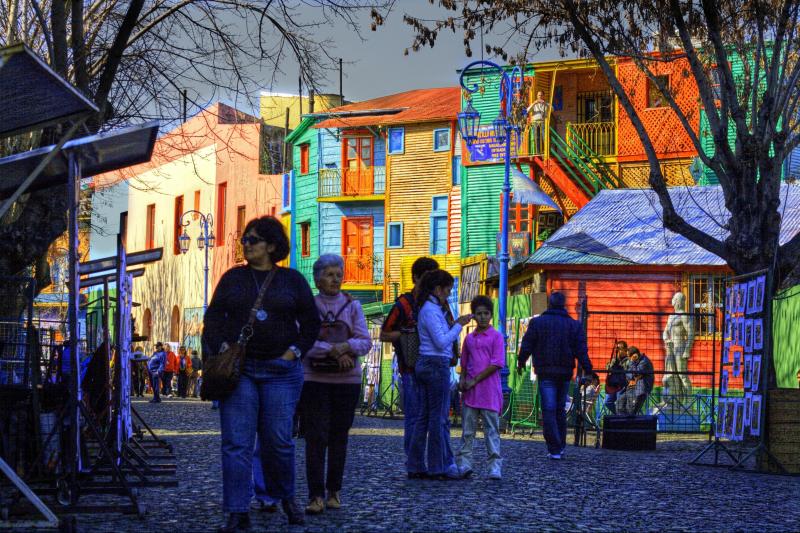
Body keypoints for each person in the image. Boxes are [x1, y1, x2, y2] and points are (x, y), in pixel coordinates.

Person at [202, 216, 320, 531]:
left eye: (252, 240)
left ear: (271, 245)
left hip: (281, 372)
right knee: (237, 443)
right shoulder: (233, 278)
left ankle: (286, 497)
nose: (246, 245)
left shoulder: (292, 280)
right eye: (244, 240)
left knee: (278, 441)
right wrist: (222, 346)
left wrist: (294, 351)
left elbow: (311, 323)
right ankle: (237, 510)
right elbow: (213, 318)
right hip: (240, 372)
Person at [300, 254, 372, 514]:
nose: (335, 279)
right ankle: (315, 495)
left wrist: (344, 347)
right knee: (315, 437)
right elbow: (303, 341)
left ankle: (334, 491)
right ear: (318, 278)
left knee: (339, 436)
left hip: (346, 381)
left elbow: (365, 341)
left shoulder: (353, 306)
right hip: (314, 379)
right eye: (329, 275)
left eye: (338, 275)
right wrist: (333, 351)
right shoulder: (308, 307)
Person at [407, 269, 472, 480]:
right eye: (447, 289)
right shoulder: (431, 310)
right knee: (438, 418)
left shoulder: (428, 309)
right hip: (435, 364)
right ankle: (439, 466)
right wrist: (458, 326)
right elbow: (441, 341)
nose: (449, 293)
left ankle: (416, 464)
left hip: (426, 364)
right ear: (438, 289)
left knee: (424, 417)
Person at [380, 257, 440, 475]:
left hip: (435, 368)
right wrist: (407, 334)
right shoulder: (403, 304)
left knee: (437, 419)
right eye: (427, 277)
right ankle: (414, 463)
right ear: (416, 278)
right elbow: (384, 334)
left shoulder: (438, 303)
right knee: (414, 417)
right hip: (410, 368)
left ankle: (437, 463)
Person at [517, 292, 593, 460]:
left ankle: (555, 447)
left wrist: (521, 362)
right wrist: (588, 369)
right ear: (563, 305)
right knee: (559, 409)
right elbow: (581, 350)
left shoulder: (537, 323)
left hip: (545, 372)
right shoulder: (573, 325)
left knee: (549, 409)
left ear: (549, 304)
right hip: (565, 372)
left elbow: (527, 344)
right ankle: (560, 446)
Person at [455, 295, 505, 480]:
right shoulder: (469, 339)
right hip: (470, 393)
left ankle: (494, 466)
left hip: (489, 391)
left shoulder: (496, 337)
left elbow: (496, 364)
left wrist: (474, 380)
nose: (483, 317)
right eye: (479, 314)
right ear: (473, 316)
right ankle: (464, 463)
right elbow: (464, 363)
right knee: (468, 431)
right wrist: (463, 380)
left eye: (486, 313)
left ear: (491, 315)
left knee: (491, 431)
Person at [616, 347, 654, 416]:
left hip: (639, 390)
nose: (628, 358)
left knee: (630, 410)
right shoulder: (634, 361)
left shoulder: (644, 362)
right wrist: (633, 377)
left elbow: (635, 373)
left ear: (635, 355)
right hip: (630, 387)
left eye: (628, 356)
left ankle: (630, 422)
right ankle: (621, 421)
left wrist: (632, 362)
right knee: (619, 405)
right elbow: (629, 375)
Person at [604, 340, 629, 415]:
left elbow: (628, 370)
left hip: (622, 385)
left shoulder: (628, 360)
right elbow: (608, 368)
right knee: (607, 402)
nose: (618, 350)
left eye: (620, 348)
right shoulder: (614, 359)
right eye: (617, 348)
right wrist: (611, 364)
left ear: (625, 349)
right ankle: (619, 416)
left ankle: (622, 417)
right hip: (613, 385)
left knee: (619, 403)